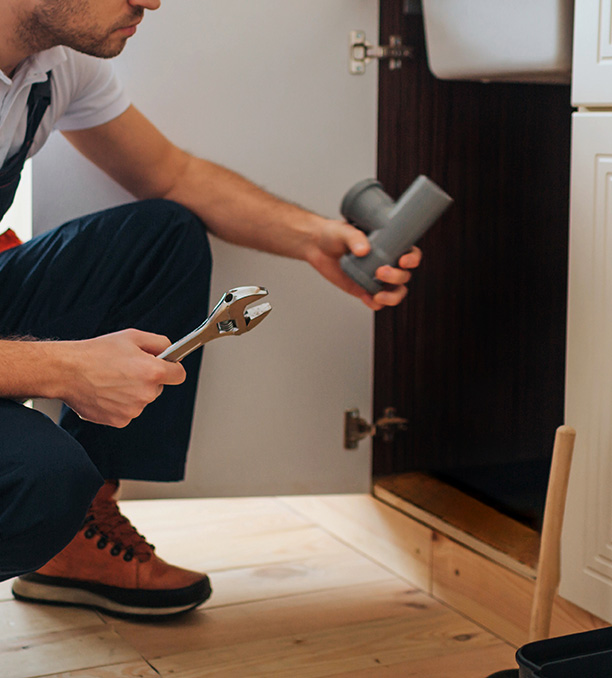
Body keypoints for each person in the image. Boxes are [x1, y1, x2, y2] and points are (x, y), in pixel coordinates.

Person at [0, 0, 422, 619]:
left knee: (160, 235)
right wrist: (61, 370)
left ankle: (78, 537)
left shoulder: (55, 65)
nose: (152, 0)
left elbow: (174, 176)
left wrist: (313, 240)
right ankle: (57, 511)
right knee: (35, 484)